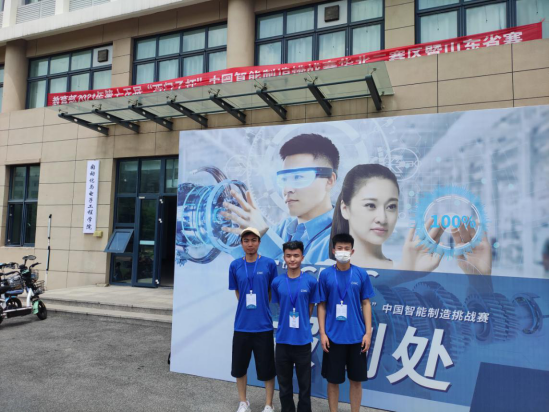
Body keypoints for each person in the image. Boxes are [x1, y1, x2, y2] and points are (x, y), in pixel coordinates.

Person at [330, 164, 492, 275]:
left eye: (391, 206)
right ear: (345, 209)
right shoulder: (322, 271)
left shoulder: (420, 270)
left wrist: (480, 282)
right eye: (370, 205)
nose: (382, 218)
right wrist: (404, 274)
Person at [221, 133, 339, 264]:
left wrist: (263, 234)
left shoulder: (342, 240)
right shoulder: (283, 229)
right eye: (284, 179)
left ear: (330, 180)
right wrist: (224, 224)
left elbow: (303, 277)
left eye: (298, 177)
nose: (287, 189)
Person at [318, 233, 374, 412]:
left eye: (346, 248)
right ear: (333, 250)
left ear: (352, 251)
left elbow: (366, 303)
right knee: (333, 380)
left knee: (356, 381)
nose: (343, 251)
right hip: (333, 337)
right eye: (339, 248)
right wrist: (322, 333)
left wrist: (367, 333)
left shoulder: (360, 274)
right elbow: (322, 305)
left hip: (357, 337)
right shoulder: (325, 275)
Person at [229, 227, 278, 412]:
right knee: (239, 368)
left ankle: (268, 404)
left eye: (254, 240)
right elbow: (238, 292)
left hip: (263, 326)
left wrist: (261, 305)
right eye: (246, 240)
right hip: (242, 326)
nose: (250, 244)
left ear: (259, 242)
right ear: (242, 243)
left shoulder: (269, 264)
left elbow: (270, 291)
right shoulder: (235, 265)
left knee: (267, 369)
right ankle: (243, 402)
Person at [271, 241, 319, 412]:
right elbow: (279, 306)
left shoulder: (311, 282)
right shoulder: (277, 282)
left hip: (302, 341)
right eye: (289, 256)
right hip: (283, 340)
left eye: (296, 255)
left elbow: (310, 307)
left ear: (302, 257)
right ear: (284, 257)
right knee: (284, 385)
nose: (292, 259)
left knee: (305, 385)